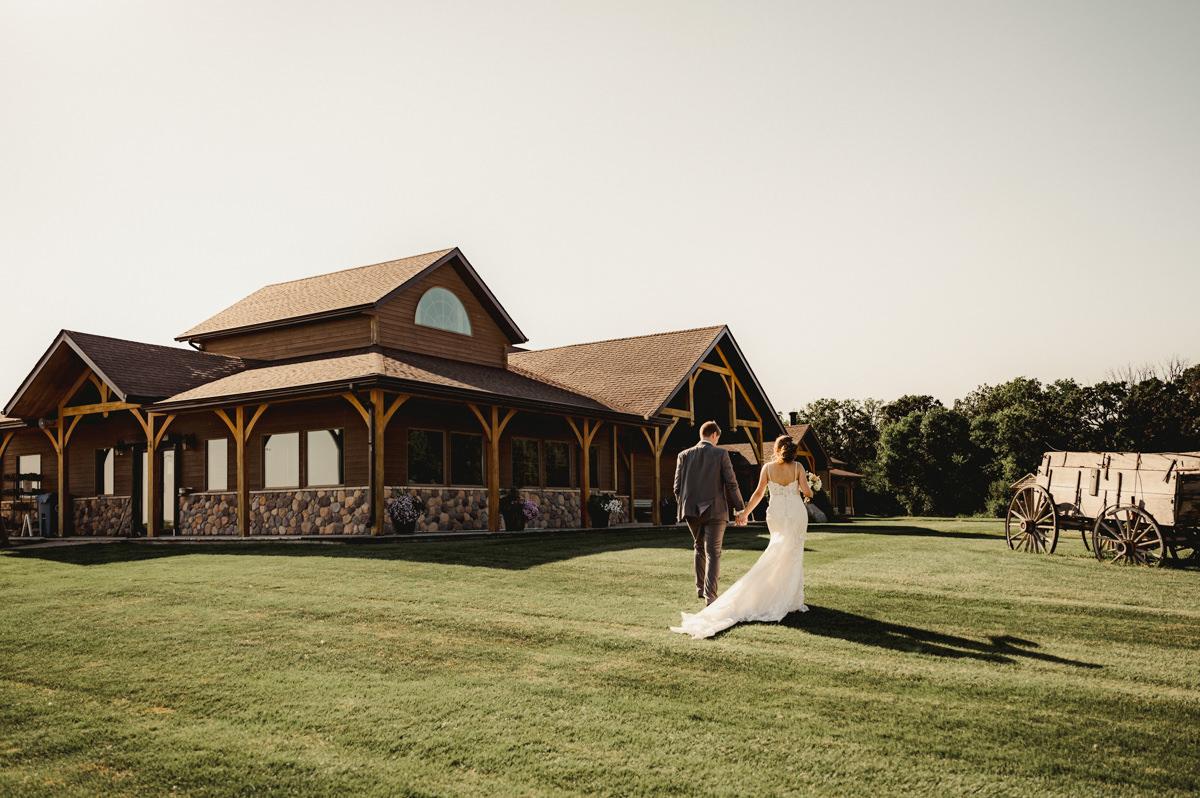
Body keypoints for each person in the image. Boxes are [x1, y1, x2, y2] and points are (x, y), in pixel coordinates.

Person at [670, 434, 812, 639]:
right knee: (793, 554)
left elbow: (758, 494)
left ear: (777, 448)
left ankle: (783, 596)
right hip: (796, 513)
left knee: (777, 550)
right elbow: (806, 491)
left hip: (777, 514)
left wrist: (744, 513)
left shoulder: (768, 468)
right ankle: (790, 599)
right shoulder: (798, 467)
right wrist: (811, 489)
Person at [672, 420, 746, 606]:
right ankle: (710, 596)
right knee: (713, 552)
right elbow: (731, 483)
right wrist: (740, 508)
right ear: (714, 435)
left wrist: (685, 505)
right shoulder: (721, 453)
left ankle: (700, 588)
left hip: (690, 510)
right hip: (715, 510)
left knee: (698, 547)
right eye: (717, 438)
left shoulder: (683, 455)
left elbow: (676, 487)